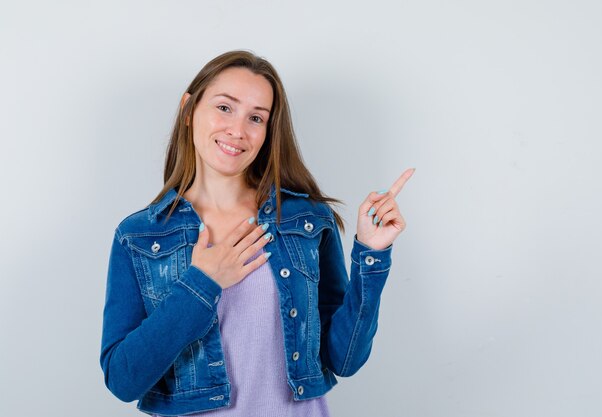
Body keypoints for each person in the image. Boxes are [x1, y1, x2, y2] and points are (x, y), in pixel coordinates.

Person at [100, 50, 413, 417]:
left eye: (256, 117)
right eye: (224, 107)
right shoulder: (139, 237)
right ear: (189, 109)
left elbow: (343, 360)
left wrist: (370, 255)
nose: (238, 130)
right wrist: (202, 283)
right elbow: (122, 379)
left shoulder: (306, 220)